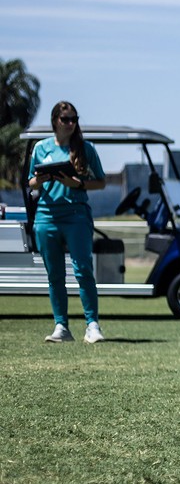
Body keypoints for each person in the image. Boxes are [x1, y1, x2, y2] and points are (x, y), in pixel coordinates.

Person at [27, 102, 107, 343]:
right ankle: (61, 326)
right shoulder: (41, 147)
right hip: (46, 216)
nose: (71, 123)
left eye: (74, 119)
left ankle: (92, 325)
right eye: (66, 119)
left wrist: (79, 184)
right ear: (55, 121)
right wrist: (39, 180)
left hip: (76, 216)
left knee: (83, 270)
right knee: (55, 275)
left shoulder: (85, 148)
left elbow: (101, 182)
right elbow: (31, 181)